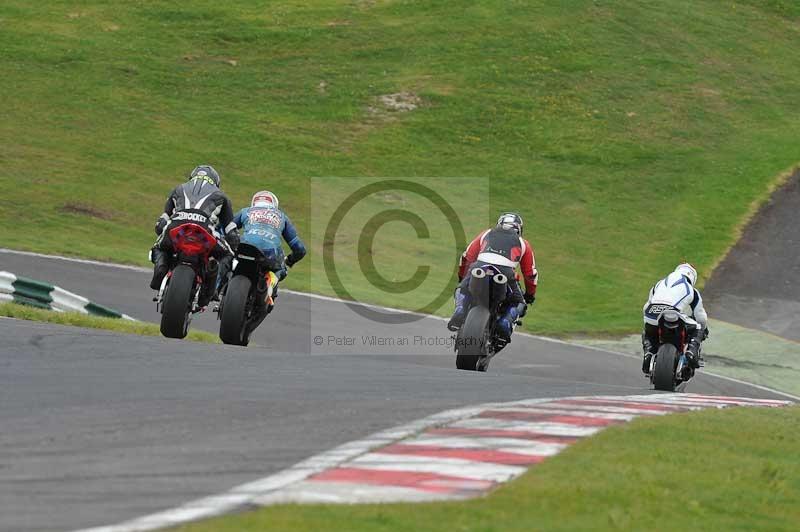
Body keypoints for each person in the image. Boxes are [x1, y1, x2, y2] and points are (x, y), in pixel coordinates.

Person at [149, 165, 239, 308]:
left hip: (176, 228)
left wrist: (163, 234)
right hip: (205, 231)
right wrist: (234, 246)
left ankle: (160, 270)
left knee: (158, 247)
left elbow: (160, 224)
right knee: (228, 254)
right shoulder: (222, 196)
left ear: (192, 177)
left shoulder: (178, 189)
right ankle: (212, 289)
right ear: (216, 182)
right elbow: (232, 233)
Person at [447, 212, 538, 342]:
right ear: (519, 229)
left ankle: (460, 310)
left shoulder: (486, 233)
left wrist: (462, 278)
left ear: (499, 225)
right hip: (505, 273)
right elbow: (530, 274)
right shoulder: (523, 243)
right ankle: (505, 323)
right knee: (519, 302)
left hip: (479, 267)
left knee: (462, 289)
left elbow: (466, 257)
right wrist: (530, 294)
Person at [231, 190, 306, 328]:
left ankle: (221, 285)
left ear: (255, 202)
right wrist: (290, 260)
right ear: (274, 204)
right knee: (281, 268)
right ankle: (268, 288)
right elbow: (300, 249)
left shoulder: (246, 211)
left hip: (244, 246)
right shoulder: (281, 216)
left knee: (228, 258)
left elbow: (226, 227)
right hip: (269, 253)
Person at [641, 263, 709, 375]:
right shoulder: (692, 290)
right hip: (673, 313)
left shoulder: (659, 284)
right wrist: (704, 330)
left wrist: (648, 320)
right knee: (698, 327)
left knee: (647, 331)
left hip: (652, 313)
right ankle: (691, 353)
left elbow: (645, 308)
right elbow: (701, 316)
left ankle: (648, 352)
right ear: (692, 278)